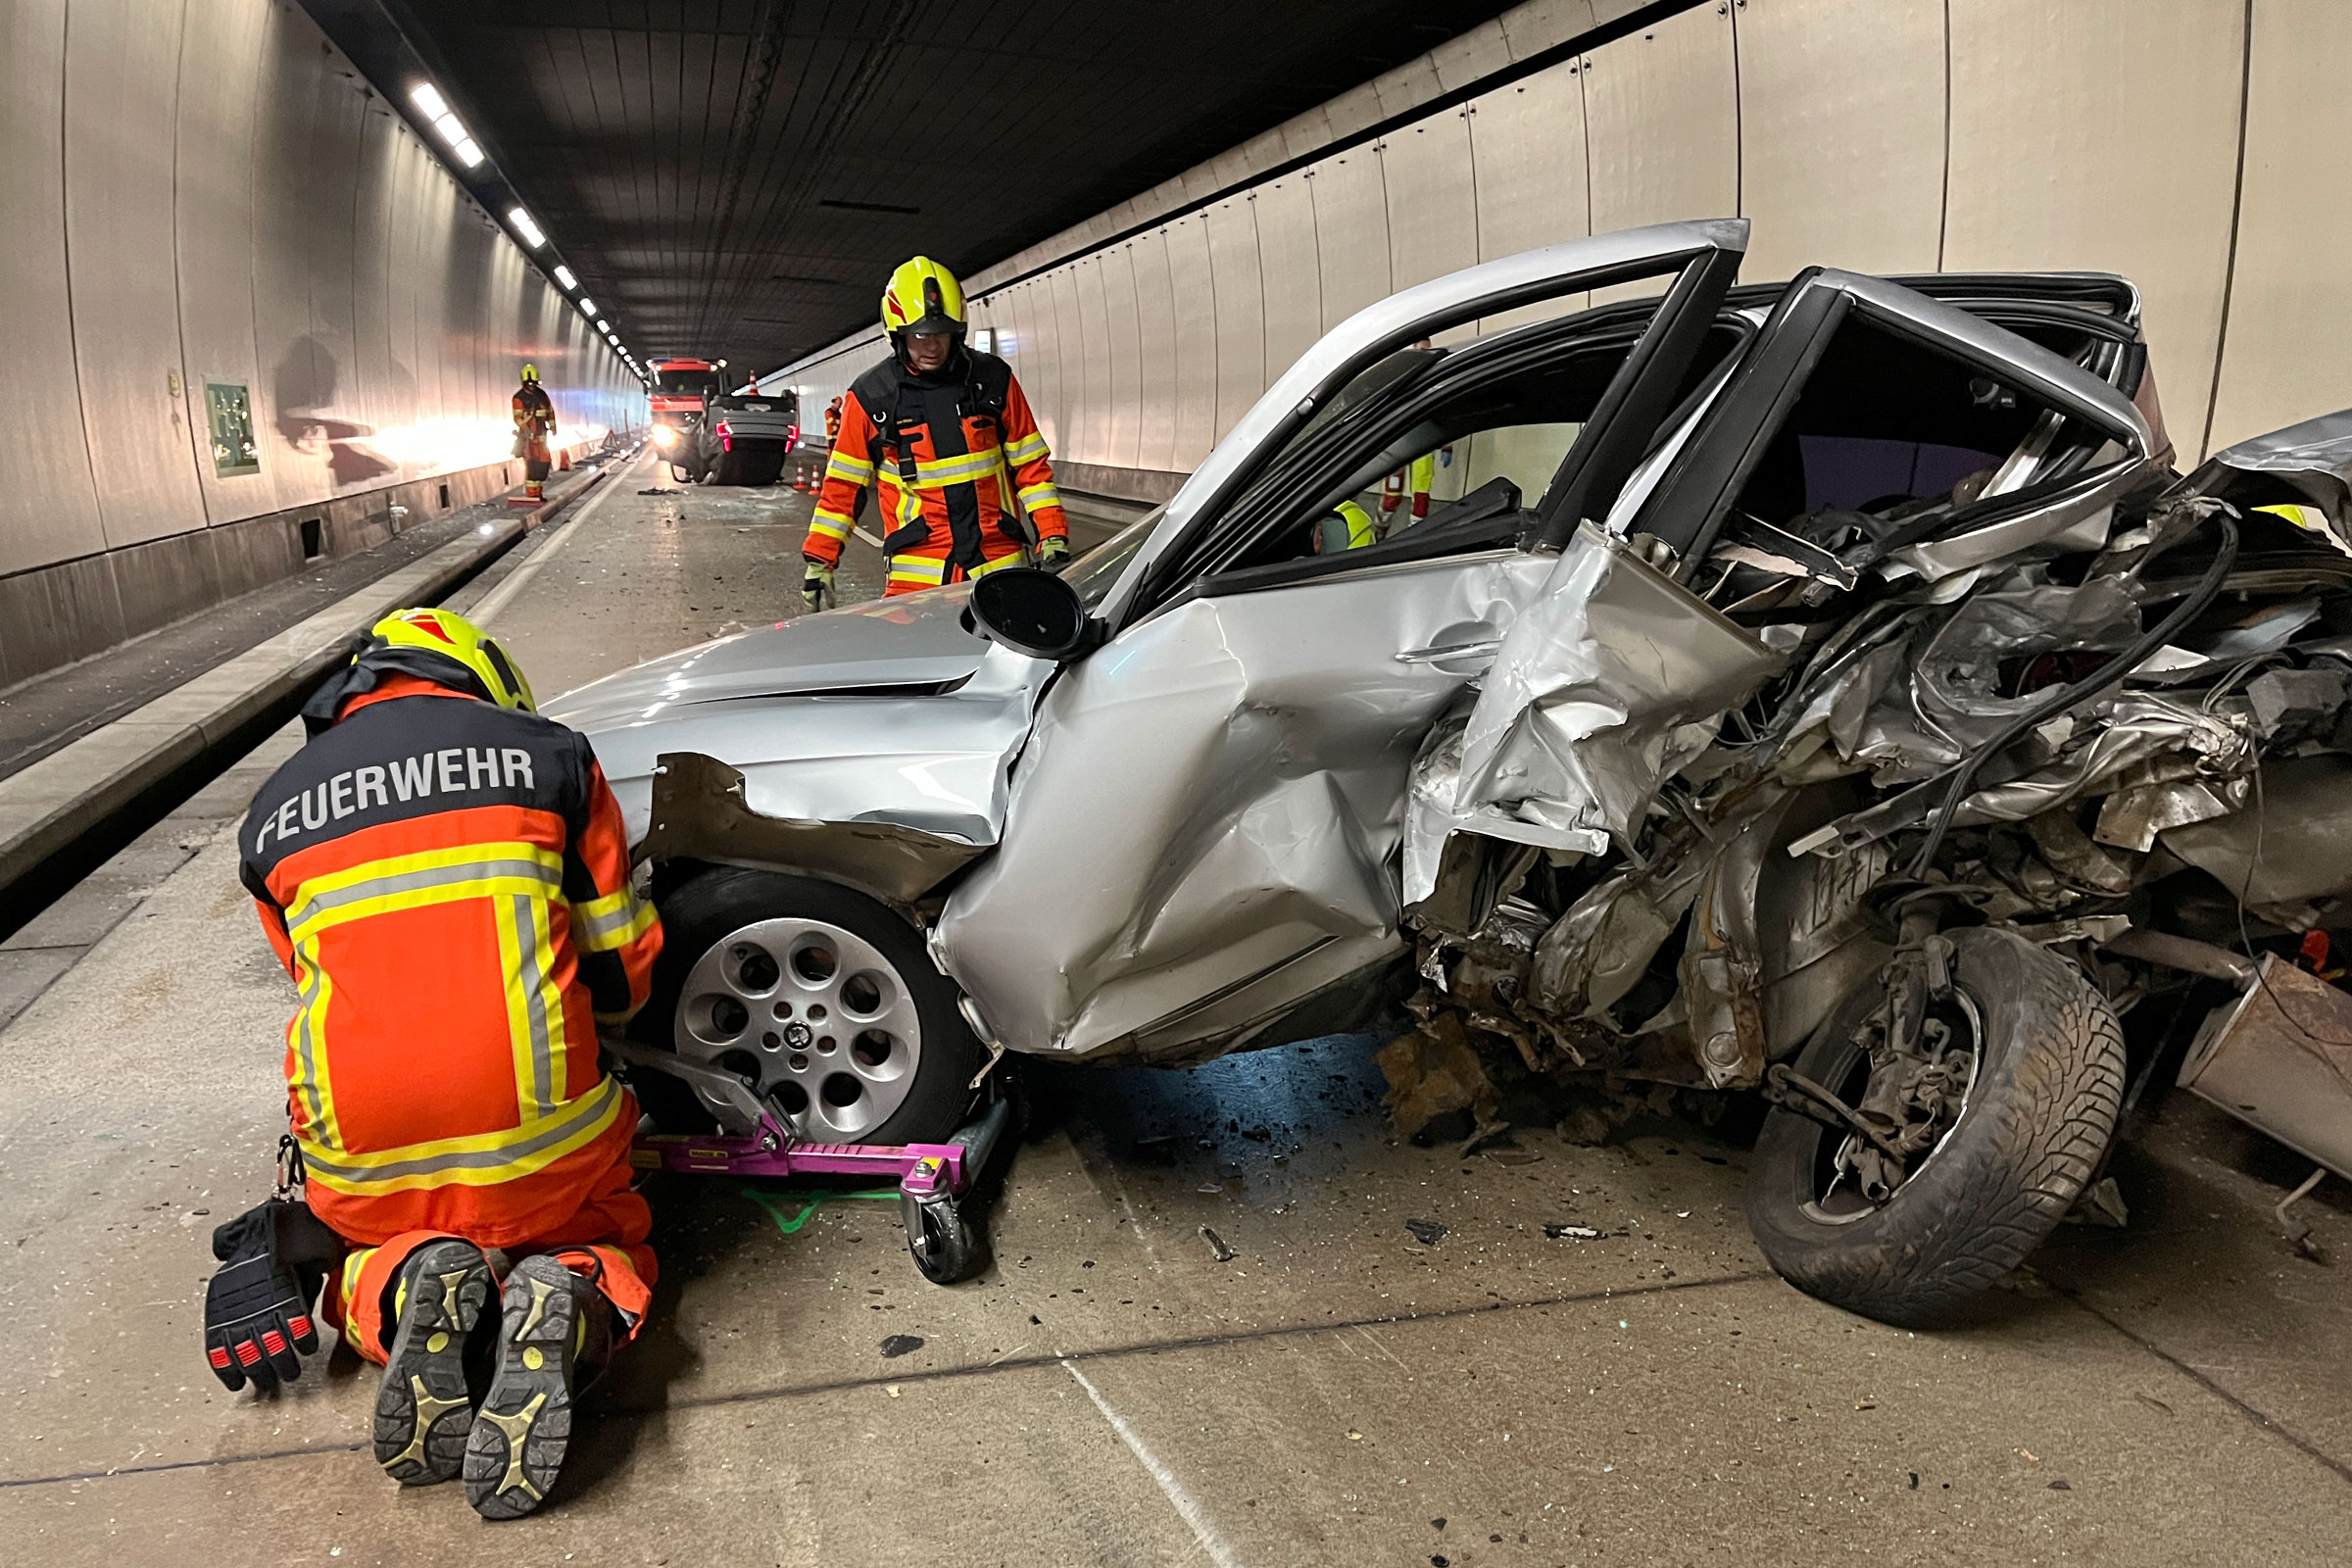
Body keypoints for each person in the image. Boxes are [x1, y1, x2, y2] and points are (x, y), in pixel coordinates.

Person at [206, 608, 662, 1520]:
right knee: (602, 1222)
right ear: (479, 676)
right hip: (540, 1137)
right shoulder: (552, 757)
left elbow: (313, 976)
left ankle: (410, 1281)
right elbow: (619, 970)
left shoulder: (270, 815)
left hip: (360, 1150)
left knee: (359, 1256)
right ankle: (575, 1287)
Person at [802, 256, 1069, 609]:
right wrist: (820, 561)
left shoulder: (993, 380)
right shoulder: (871, 396)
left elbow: (1031, 469)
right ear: (897, 333)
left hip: (999, 565)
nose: (932, 346)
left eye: (941, 333)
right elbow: (843, 489)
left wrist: (1052, 533)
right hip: (917, 582)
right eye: (920, 335)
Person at [512, 365, 557, 503]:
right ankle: (532, 495)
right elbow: (518, 418)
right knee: (532, 465)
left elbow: (550, 411)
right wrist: (526, 430)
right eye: (529, 384)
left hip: (542, 436)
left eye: (534, 384)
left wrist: (553, 427)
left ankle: (538, 493)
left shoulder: (542, 395)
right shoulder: (519, 398)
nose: (532, 386)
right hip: (528, 438)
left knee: (542, 464)